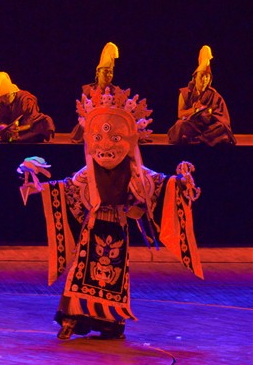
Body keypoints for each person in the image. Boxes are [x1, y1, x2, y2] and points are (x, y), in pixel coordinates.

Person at [18, 87, 204, 341]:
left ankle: (110, 323)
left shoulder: (135, 171)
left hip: (118, 225)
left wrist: (180, 183)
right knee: (81, 272)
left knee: (114, 276)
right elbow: (68, 187)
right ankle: (71, 320)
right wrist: (40, 188)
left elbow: (159, 183)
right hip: (93, 227)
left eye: (115, 138)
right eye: (99, 137)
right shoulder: (89, 171)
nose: (106, 145)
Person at [167, 45, 235, 146]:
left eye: (207, 77)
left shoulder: (214, 95)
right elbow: (180, 114)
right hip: (193, 125)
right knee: (180, 124)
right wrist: (195, 110)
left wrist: (208, 113)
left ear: (210, 80)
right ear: (195, 78)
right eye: (201, 76)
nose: (204, 80)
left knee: (222, 127)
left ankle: (198, 139)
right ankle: (200, 138)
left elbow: (223, 118)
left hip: (209, 127)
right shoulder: (185, 92)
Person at [70, 42, 122, 143]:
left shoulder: (116, 91)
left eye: (111, 72)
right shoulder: (88, 90)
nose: (108, 75)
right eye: (105, 72)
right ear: (98, 73)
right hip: (92, 125)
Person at [0, 72, 54, 142]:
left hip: (24, 127)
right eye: (1, 98)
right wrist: (0, 126)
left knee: (43, 123)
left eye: (6, 96)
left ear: (13, 93)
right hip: (5, 127)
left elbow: (30, 123)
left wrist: (19, 129)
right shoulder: (0, 100)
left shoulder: (26, 99)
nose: (3, 100)